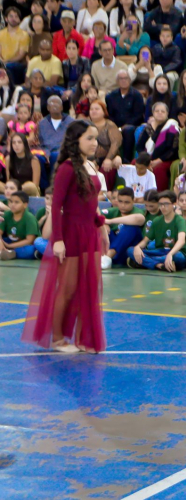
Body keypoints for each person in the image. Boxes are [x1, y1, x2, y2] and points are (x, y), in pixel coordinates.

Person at [22, 120, 108, 353]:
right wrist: (58, 240)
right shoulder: (67, 168)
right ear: (75, 140)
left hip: (89, 232)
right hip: (71, 234)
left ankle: (83, 338)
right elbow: (57, 206)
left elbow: (91, 204)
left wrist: (101, 227)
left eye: (95, 138)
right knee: (68, 288)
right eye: (89, 138)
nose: (94, 143)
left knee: (87, 288)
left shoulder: (90, 166)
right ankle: (58, 339)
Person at [127, 190, 186, 272]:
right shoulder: (157, 220)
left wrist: (170, 254)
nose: (163, 207)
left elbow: (181, 241)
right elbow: (145, 241)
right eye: (160, 204)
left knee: (178, 257)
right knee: (130, 250)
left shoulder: (180, 220)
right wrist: (137, 247)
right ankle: (159, 265)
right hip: (160, 251)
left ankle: (145, 262)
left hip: (176, 252)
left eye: (166, 204)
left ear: (174, 204)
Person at [137, 101, 180, 190]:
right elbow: (139, 146)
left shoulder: (172, 127)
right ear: (153, 113)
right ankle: (138, 191)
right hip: (148, 159)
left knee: (158, 169)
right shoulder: (148, 128)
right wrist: (147, 160)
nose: (160, 113)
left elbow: (173, 149)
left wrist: (159, 160)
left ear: (167, 114)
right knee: (135, 163)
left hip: (165, 159)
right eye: (157, 111)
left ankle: (159, 194)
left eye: (163, 111)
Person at [101, 186, 146, 268]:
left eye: (127, 202)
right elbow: (94, 216)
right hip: (112, 247)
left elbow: (140, 219)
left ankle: (108, 256)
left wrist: (109, 221)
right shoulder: (113, 211)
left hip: (127, 251)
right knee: (100, 227)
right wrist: (104, 225)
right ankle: (102, 256)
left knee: (131, 228)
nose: (123, 205)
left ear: (133, 201)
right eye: (120, 201)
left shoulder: (137, 211)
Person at [105, 69, 144, 163]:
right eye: (121, 78)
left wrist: (125, 126)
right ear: (117, 81)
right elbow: (110, 114)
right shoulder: (110, 96)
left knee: (128, 130)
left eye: (126, 78)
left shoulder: (137, 95)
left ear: (129, 80)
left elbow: (139, 115)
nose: (123, 80)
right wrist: (115, 126)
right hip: (115, 125)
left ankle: (126, 160)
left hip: (131, 125)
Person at [89, 100, 122, 191]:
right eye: (91, 109)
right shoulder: (85, 125)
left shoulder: (110, 125)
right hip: (90, 158)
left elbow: (115, 143)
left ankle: (104, 193)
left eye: (97, 109)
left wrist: (108, 159)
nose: (94, 111)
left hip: (107, 157)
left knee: (107, 167)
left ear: (104, 111)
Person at [38, 96, 74, 173]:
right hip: (47, 153)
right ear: (48, 108)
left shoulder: (71, 122)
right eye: (52, 103)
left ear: (62, 107)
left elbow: (72, 141)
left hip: (64, 152)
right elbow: (42, 144)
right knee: (37, 158)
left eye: (57, 103)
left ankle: (53, 179)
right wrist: (46, 153)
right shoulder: (42, 123)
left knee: (55, 155)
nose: (54, 105)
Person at [0, 190, 39, 260]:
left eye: (16, 202)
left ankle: (11, 253)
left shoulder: (29, 218)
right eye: (11, 201)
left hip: (24, 245)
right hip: (9, 241)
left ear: (25, 205)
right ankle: (6, 252)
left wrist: (9, 246)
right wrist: (2, 244)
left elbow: (29, 240)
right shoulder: (6, 215)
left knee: (30, 250)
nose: (12, 204)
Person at [0, 7, 31, 85]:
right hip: (3, 62)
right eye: (11, 16)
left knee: (8, 66)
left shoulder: (24, 35)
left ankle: (11, 87)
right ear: (6, 19)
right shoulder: (1, 33)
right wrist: (2, 61)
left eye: (16, 16)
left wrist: (6, 61)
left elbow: (21, 55)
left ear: (19, 20)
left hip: (18, 64)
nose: (13, 19)